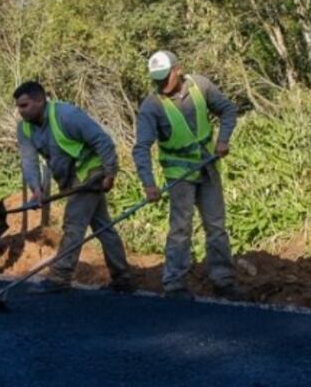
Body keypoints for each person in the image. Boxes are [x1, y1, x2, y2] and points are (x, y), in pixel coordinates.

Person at [133, 51, 240, 300]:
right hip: (180, 175)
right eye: (156, 80)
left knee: (216, 225)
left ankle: (223, 279)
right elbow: (141, 147)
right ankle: (174, 283)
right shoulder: (152, 106)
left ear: (177, 70)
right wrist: (148, 184)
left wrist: (223, 140)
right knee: (180, 228)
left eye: (164, 78)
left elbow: (228, 110)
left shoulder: (201, 86)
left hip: (208, 167)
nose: (161, 84)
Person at [14, 81, 132, 292]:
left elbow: (102, 141)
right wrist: (36, 189)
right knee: (103, 227)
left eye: (24, 106)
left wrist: (110, 172)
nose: (20, 111)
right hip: (70, 179)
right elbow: (29, 160)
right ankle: (123, 278)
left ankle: (60, 276)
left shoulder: (67, 115)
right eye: (18, 106)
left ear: (40, 101)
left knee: (73, 223)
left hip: (91, 173)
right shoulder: (25, 129)